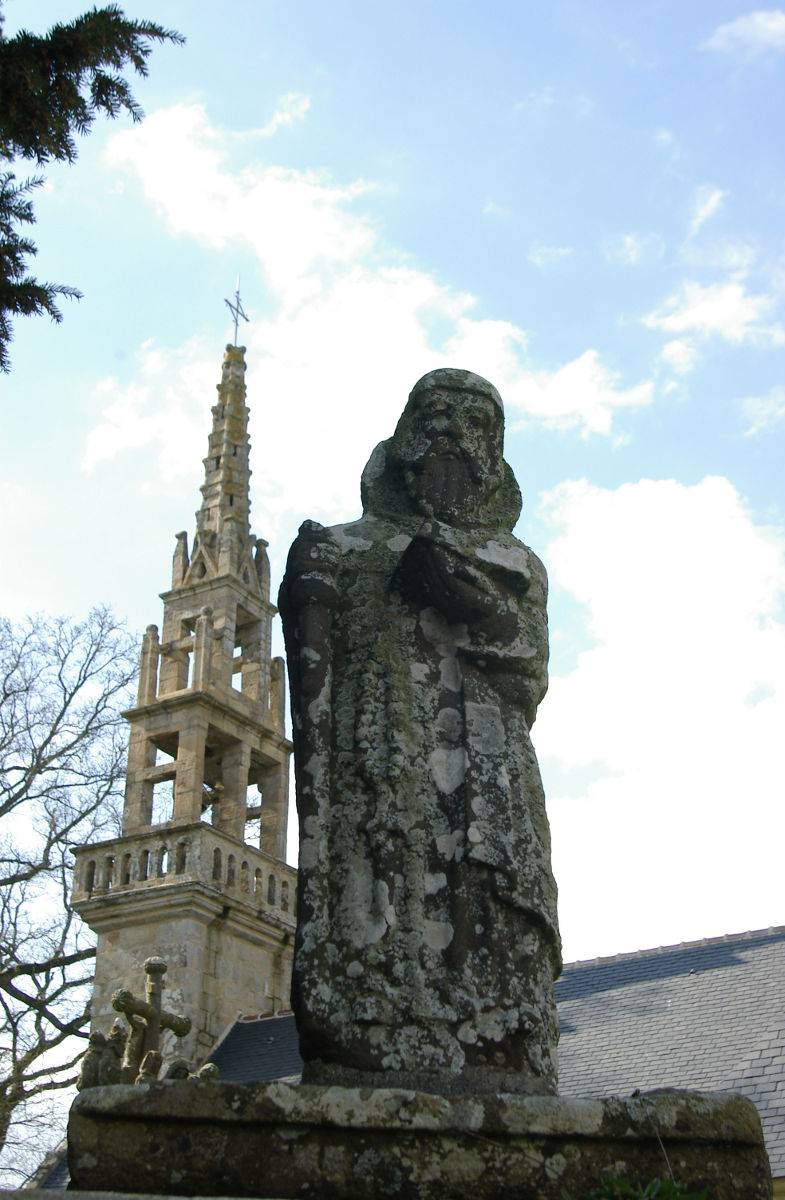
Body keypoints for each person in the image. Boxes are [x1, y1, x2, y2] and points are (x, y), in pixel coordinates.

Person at [279, 368, 561, 1095]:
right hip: (382, 748)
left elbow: (529, 670)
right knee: (380, 869)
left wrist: (469, 599)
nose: (453, 437)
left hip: (490, 766)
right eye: (436, 418)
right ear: (403, 443)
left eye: (475, 427)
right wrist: (307, 593)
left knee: (486, 896)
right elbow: (316, 671)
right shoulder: (349, 545)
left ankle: (495, 1026)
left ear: (494, 458)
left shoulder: (515, 561)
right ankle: (372, 1017)